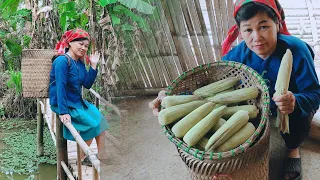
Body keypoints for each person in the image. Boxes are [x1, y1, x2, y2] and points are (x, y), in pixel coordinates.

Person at [149, 1, 320, 180]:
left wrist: (295, 101)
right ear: (239, 31)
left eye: (263, 26)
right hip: (256, 109)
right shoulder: (236, 57)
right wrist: (169, 97)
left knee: (298, 121)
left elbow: (315, 94)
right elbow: (207, 90)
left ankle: (293, 149)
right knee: (239, 123)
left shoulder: (297, 50)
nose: (257, 37)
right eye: (248, 30)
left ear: (277, 23)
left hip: (289, 109)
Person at [49, 28, 109, 166]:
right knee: (91, 125)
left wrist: (93, 66)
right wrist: (63, 112)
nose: (83, 48)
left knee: (101, 121)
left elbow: (87, 84)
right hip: (63, 103)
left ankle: (102, 156)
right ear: (70, 42)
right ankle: (81, 158)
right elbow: (60, 87)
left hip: (77, 101)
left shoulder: (80, 62)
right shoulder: (62, 61)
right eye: (80, 44)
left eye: (86, 46)